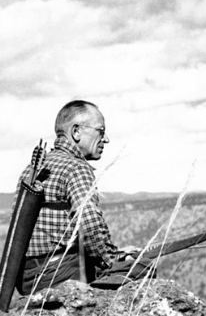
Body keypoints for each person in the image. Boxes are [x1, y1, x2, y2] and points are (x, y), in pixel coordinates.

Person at [16, 100, 141, 294]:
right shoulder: (76, 168)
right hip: (60, 275)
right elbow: (89, 225)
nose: (105, 139)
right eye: (100, 131)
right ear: (76, 132)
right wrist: (113, 259)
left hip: (26, 278)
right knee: (142, 267)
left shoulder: (31, 170)